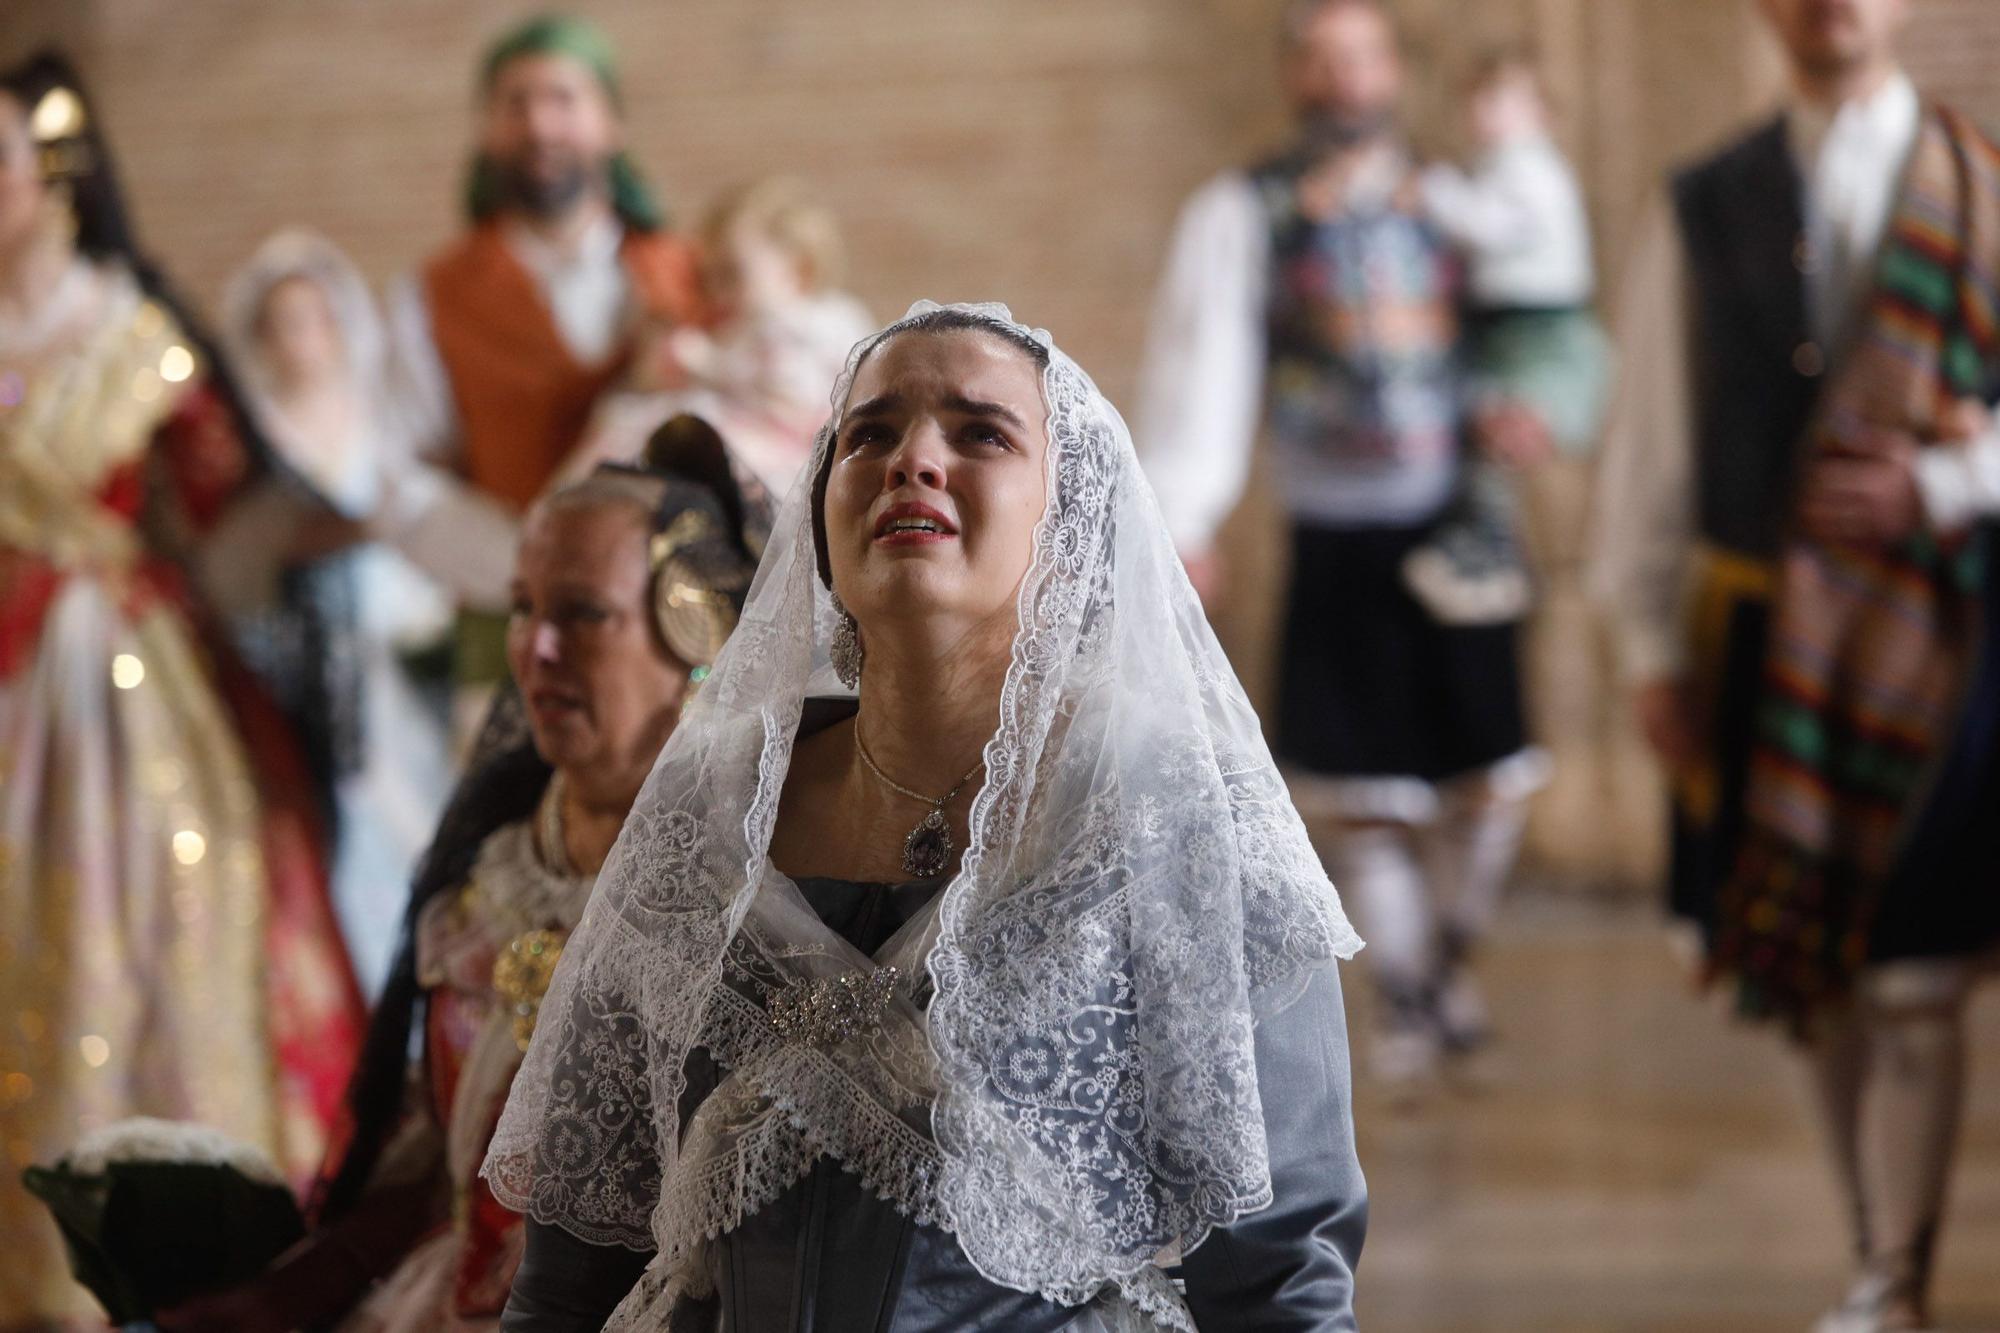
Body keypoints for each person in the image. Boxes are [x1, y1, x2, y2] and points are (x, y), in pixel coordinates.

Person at [483, 303, 1367, 1330]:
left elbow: (1280, 1277)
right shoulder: (707, 813)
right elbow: (573, 1272)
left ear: (1068, 513)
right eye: (869, 433)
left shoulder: (1174, 825)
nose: (912, 459)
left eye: (981, 432)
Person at [150, 417, 766, 1333]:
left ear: (696, 627)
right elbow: (431, 1168)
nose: (535, 649)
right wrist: (281, 1292)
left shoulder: (749, 894)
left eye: (581, 613)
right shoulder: (495, 867)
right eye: (522, 607)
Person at [1592, 0, 2000, 1326]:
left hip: (1944, 636)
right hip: (1766, 635)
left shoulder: (1986, 192)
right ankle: (1878, 1254)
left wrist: (1945, 480)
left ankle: (1896, 1278)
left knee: (1923, 972)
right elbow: (1652, 429)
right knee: (1816, 974)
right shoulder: (1703, 199)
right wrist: (1650, 641)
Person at [0, 52, 363, 1329]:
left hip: (111, 684)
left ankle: (139, 1235)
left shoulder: (134, 334)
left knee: (146, 929)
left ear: (53, 180)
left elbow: (239, 512)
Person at [1135, 0, 1545, 1091]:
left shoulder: (1462, 203)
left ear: (1391, 73)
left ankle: (1445, 958)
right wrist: (1186, 516)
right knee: (1365, 792)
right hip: (1335, 533)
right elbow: (1203, 366)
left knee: (1490, 779)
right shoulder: (1245, 210)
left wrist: (1532, 399)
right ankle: (1409, 995)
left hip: (1457, 521)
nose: (1340, 83)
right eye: (1317, 63)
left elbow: (1537, 316)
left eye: (1358, 58)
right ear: (1291, 80)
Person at [374, 14, 706, 714]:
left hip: (676, 635)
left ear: (612, 124)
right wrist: (523, 559)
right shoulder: (434, 293)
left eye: (563, 100)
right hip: (510, 637)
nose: (540, 126)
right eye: (516, 103)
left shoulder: (688, 275)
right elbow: (396, 469)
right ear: (488, 131)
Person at [222, 228, 457, 997]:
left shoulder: (372, 413)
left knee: (405, 801)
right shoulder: (254, 429)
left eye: (314, 319)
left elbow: (411, 510)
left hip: (386, 635)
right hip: (296, 642)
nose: (302, 340)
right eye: (283, 323)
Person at [1405, 45, 1610, 626]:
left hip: (1539, 327)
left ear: (1543, 113)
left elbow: (1488, 228)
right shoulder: (1496, 167)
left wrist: (1437, 191)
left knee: (1501, 434)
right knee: (1481, 437)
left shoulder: (1531, 169)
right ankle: (1486, 549)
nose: (1486, 115)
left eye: (1502, 101)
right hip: (1503, 325)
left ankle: (1497, 558)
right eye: (1478, 102)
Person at [575, 176, 873, 499]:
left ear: (799, 269)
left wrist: (708, 366)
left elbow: (792, 399)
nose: (718, 294)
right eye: (709, 279)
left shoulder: (809, 325)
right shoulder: (737, 326)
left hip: (781, 458)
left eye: (732, 274)